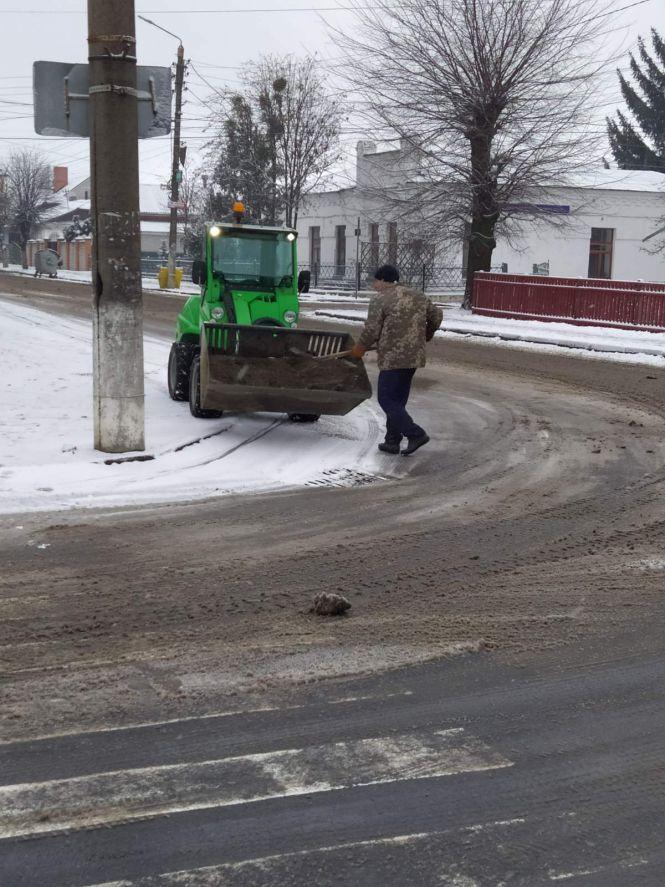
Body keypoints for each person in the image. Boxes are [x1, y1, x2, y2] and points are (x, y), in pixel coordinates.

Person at [351, 264, 443, 455]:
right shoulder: (418, 295)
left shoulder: (380, 300)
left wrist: (359, 349)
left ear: (383, 280)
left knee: (386, 399)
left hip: (393, 358)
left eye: (375, 281)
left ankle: (415, 433)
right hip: (414, 357)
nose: (374, 286)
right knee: (398, 401)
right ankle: (392, 441)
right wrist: (427, 333)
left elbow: (372, 330)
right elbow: (436, 315)